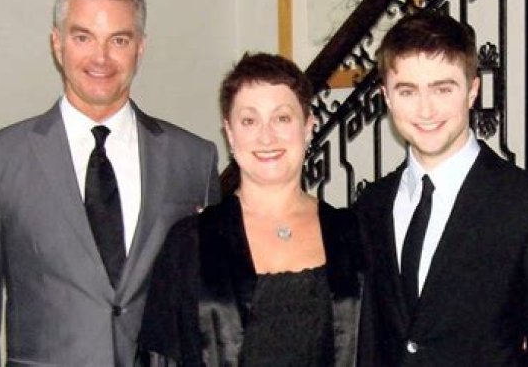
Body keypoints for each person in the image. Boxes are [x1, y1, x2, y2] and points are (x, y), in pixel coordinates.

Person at [0, 0, 220, 366]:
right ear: (57, 43)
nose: (101, 57)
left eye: (119, 40)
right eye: (83, 37)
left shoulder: (193, 160)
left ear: (140, 47)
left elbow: (212, 314)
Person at [353, 11, 528, 366]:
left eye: (443, 89)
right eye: (408, 91)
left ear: (472, 90)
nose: (425, 110)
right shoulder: (371, 205)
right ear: (387, 97)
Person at [139, 52, 373, 366]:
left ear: (308, 127)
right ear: (229, 133)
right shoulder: (191, 242)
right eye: (249, 121)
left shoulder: (353, 234)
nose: (266, 136)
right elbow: (160, 357)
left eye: (282, 118)